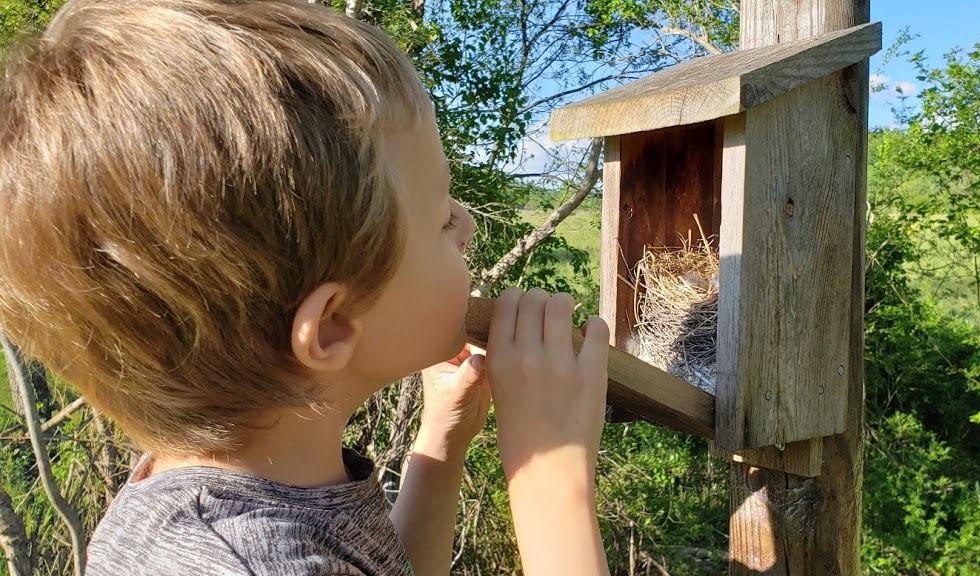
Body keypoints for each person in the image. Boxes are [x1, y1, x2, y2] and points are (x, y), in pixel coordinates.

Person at [0, 0, 611, 574]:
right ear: (333, 326)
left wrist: (440, 450)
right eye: (440, 218)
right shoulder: (238, 562)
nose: (468, 226)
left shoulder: (235, 497)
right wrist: (551, 482)